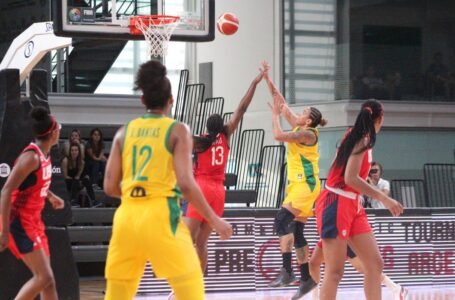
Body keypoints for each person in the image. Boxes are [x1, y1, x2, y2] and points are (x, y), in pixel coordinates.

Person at [102, 60, 232, 300]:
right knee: (191, 291)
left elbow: (109, 187)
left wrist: (137, 194)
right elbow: (185, 182)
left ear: (143, 100)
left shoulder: (123, 132)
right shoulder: (177, 130)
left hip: (126, 219)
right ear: (170, 100)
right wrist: (214, 219)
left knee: (117, 295)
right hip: (161, 216)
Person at [315, 99, 404, 300]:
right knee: (335, 271)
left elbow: (342, 173)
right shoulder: (362, 139)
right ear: (380, 119)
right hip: (336, 203)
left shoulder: (358, 135)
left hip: (351, 203)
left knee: (374, 264)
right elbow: (350, 178)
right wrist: (385, 199)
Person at [184, 69, 264, 273]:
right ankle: (198, 287)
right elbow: (242, 108)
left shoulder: (200, 141)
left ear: (207, 126)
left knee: (186, 240)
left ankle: (184, 286)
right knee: (202, 243)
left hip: (201, 188)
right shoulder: (226, 136)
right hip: (219, 192)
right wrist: (254, 83)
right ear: (221, 127)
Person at [263, 61, 327, 300]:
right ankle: (306, 279)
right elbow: (281, 100)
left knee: (281, 222)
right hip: (298, 186)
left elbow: (278, 135)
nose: (298, 114)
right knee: (298, 232)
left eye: (303, 113)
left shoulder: (307, 133)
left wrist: (274, 116)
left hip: (306, 186)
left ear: (308, 121)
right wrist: (267, 78)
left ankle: (287, 271)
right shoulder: (301, 125)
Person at [0, 106, 65, 300]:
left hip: (34, 222)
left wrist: (50, 195)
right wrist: (4, 232)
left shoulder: (45, 155)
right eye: (59, 128)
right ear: (53, 133)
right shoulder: (31, 157)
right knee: (43, 277)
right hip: (20, 223)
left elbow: (33, 184)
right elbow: (6, 191)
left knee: (49, 281)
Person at [306, 241, 408, 300]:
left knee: (365, 268)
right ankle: (315, 297)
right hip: (330, 232)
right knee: (314, 263)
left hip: (339, 233)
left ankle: (396, 288)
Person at [61, 142, 98, 207]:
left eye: (76, 150)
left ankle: (93, 200)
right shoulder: (65, 160)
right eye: (72, 150)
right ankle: (72, 201)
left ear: (79, 152)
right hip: (67, 183)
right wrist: (76, 180)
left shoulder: (82, 162)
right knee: (75, 180)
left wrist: (83, 178)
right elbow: (65, 176)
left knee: (86, 180)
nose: (74, 152)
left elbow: (79, 175)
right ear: (70, 152)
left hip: (77, 182)